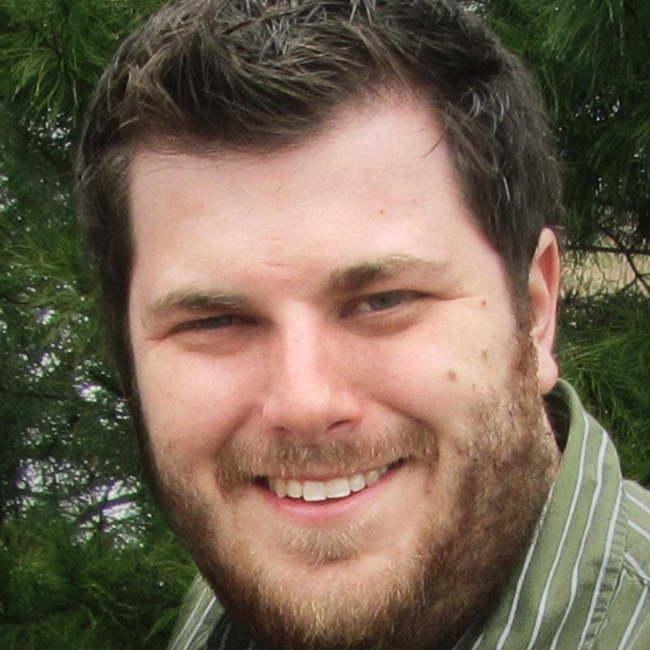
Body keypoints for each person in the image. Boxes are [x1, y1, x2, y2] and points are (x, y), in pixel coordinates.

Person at [75, 1, 650, 648]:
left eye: (383, 301)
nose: (304, 403)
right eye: (215, 321)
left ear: (536, 309)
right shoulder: (226, 612)